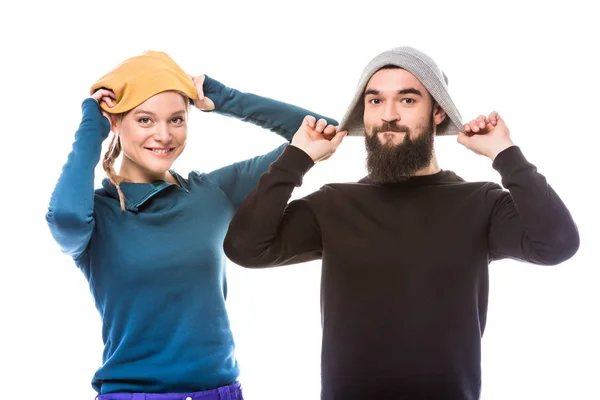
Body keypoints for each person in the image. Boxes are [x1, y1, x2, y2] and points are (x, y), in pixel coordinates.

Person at [223, 46, 580, 400]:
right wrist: (296, 159)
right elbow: (245, 247)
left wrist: (505, 155)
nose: (388, 115)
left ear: (437, 112)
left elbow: (557, 243)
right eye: (375, 101)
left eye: (407, 100)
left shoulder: (480, 203)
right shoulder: (334, 204)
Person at [45, 50, 337, 399]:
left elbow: (321, 131)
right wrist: (92, 127)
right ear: (117, 122)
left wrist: (228, 100)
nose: (164, 135)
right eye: (145, 120)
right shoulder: (99, 214)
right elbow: (64, 218)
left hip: (221, 392)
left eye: (177, 119)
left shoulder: (212, 193)